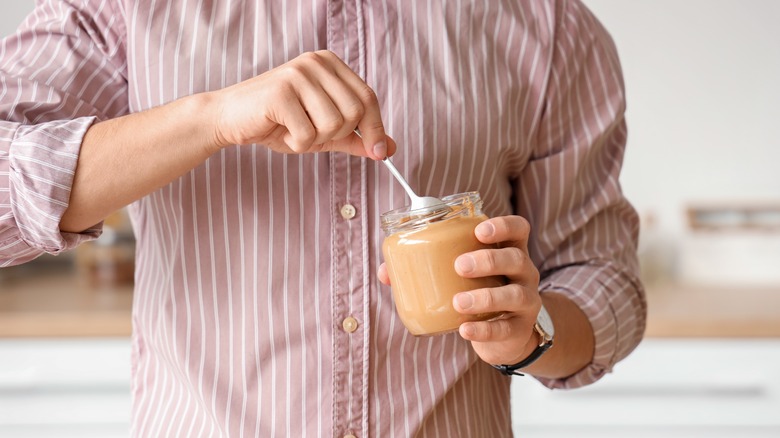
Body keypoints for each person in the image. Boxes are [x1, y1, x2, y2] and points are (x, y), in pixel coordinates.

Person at [0, 0, 646, 436]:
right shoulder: (122, 12)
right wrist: (207, 120)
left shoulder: (547, 24)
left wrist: (527, 332)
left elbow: (601, 277)